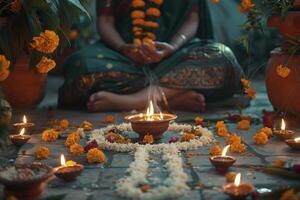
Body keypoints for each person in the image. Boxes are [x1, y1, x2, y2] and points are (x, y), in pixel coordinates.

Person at [58, 0, 244, 112]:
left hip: (175, 56)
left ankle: (132, 101)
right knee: (80, 67)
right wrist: (123, 47)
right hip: (122, 57)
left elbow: (192, 20)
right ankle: (172, 98)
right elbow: (105, 21)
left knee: (222, 58)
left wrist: (172, 47)